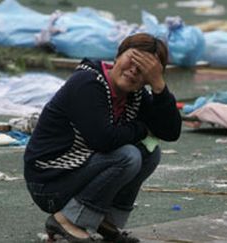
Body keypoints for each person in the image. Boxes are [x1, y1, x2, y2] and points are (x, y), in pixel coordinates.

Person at [24, 33, 181, 243]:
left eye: (144, 68)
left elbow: (170, 132)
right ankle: (66, 220)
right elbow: (103, 139)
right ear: (118, 56)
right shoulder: (88, 82)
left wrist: (160, 87)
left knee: (150, 154)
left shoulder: (134, 94)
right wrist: (143, 129)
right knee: (128, 155)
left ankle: (106, 222)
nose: (134, 69)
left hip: (75, 173)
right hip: (48, 181)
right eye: (133, 59)